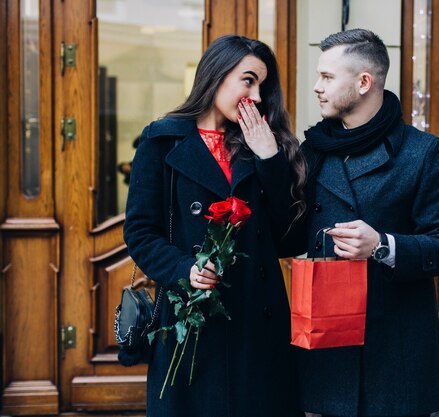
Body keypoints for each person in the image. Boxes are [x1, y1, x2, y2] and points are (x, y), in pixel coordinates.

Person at [123, 35, 305, 417]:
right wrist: (184, 270)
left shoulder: (264, 143)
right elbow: (140, 230)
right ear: (217, 74)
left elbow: (288, 237)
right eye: (248, 80)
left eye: (262, 86)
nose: (256, 97)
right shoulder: (162, 141)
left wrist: (270, 158)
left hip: (259, 319)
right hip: (193, 318)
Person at [295, 29, 439, 417]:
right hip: (329, 349)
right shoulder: (313, 149)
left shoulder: (421, 152)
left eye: (326, 77)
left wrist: (383, 245)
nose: (316, 88)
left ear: (363, 83)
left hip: (395, 357)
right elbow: (286, 234)